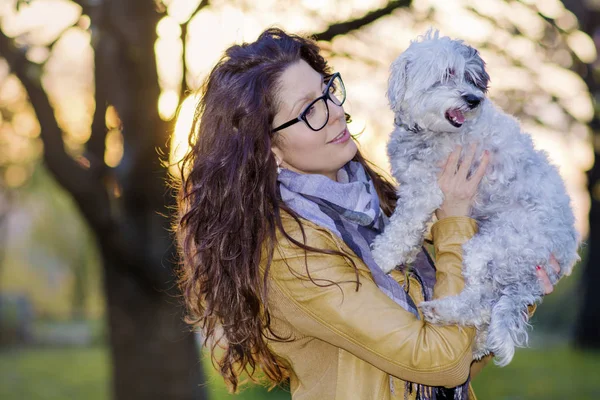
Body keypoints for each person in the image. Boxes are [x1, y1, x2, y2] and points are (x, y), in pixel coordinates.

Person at [175, 27, 558, 400]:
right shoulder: (292, 254)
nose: (336, 113)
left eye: (328, 91)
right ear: (269, 149)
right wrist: (455, 219)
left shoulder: (376, 205)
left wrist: (516, 293)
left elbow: (454, 370)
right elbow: (443, 364)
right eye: (310, 110)